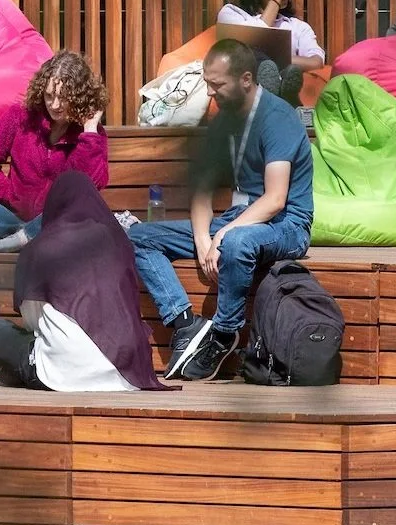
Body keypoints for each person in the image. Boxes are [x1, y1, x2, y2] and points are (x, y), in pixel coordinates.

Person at [126, 39, 315, 381]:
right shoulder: (223, 122)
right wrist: (202, 239)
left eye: (217, 84)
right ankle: (184, 322)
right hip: (238, 219)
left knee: (237, 243)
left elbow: (275, 198)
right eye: (207, 84)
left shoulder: (278, 118)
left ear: (245, 79)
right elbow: (202, 189)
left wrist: (223, 236)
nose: (210, 93)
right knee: (137, 236)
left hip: (286, 223)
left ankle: (224, 334)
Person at [0, 172, 173, 392]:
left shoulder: (39, 248)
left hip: (62, 373)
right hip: (127, 372)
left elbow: (32, 322)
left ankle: (18, 370)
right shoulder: (120, 244)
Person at [0, 52, 110, 254]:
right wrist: (10, 196)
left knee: (78, 212)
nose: (55, 105)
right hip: (15, 218)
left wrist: (89, 131)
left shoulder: (91, 135)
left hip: (61, 220)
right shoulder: (19, 116)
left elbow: (92, 185)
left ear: (78, 97)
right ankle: (27, 237)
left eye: (63, 97)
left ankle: (11, 242)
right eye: (50, 95)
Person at [215, 0, 326, 101]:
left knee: (271, 64)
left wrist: (275, 61)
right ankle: (275, 91)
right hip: (246, 77)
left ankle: (281, 87)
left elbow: (316, 61)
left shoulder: (297, 26)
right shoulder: (231, 13)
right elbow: (252, 38)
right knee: (251, 55)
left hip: (281, 74)